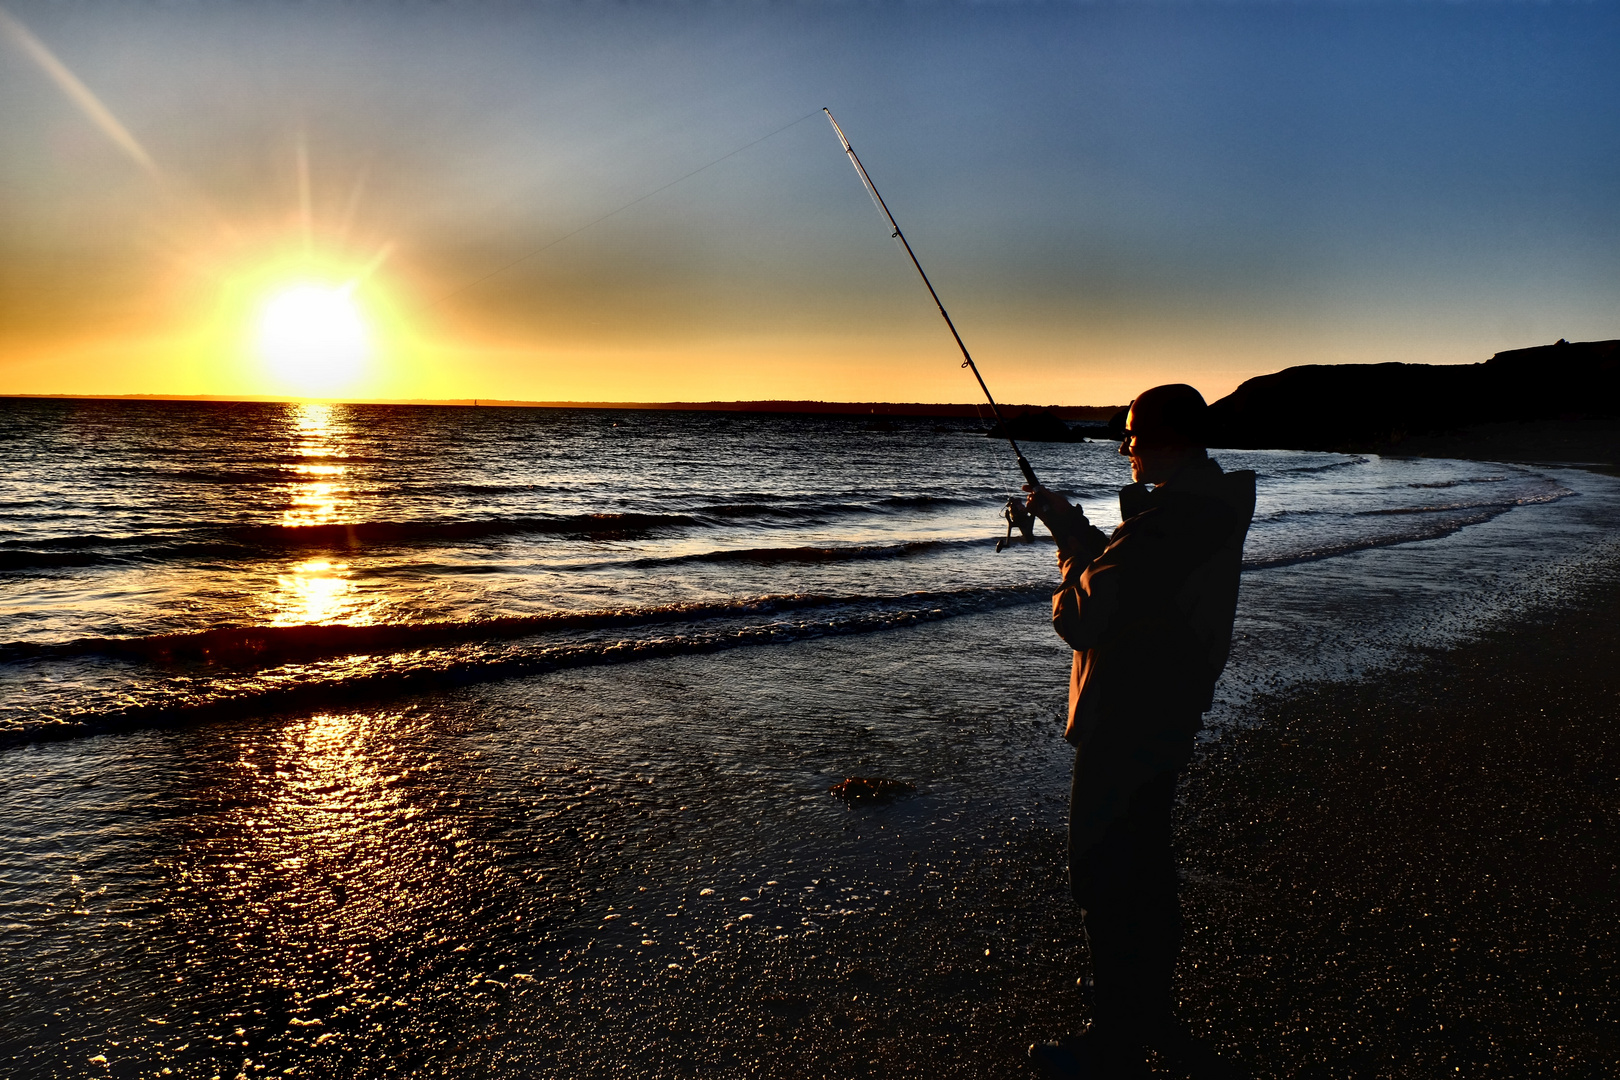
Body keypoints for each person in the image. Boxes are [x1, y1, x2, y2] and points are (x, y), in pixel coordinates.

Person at [1024, 384, 1256, 1079]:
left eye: (1133, 434)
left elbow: (1082, 617)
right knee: (1145, 867)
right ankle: (1146, 1012)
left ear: (1168, 437)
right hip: (1164, 711)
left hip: (1129, 715)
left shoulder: (1173, 518)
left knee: (1105, 873)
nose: (1125, 448)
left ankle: (1114, 1041)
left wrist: (1066, 553)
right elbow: (1125, 579)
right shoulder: (1197, 506)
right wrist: (1073, 525)